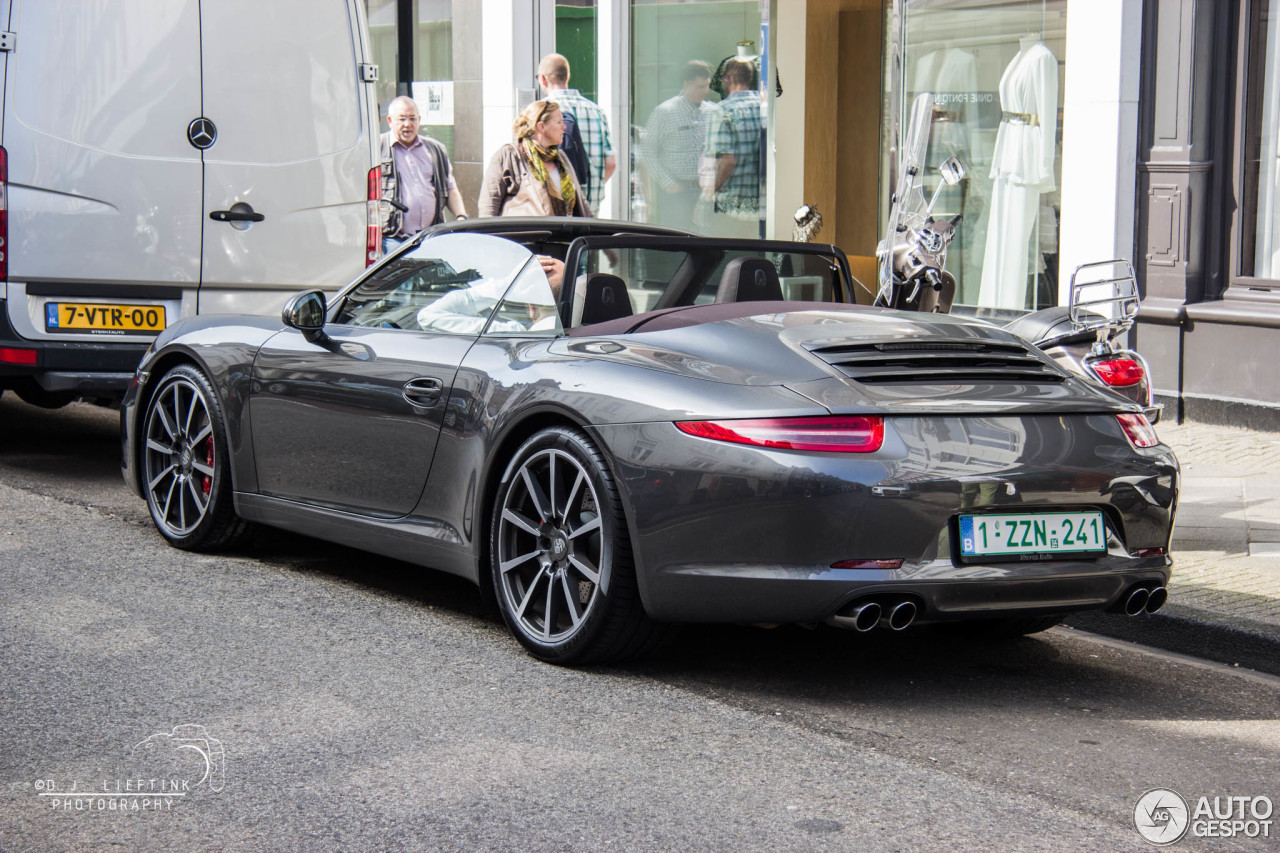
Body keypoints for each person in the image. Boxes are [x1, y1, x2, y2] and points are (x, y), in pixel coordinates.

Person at [380, 96, 468, 253]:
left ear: (419, 120)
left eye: (412, 119)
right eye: (402, 119)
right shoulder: (377, 148)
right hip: (392, 239)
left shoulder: (435, 150)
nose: (408, 124)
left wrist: (461, 216)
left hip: (430, 237)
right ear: (390, 121)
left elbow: (450, 187)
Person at [640, 60, 719, 233]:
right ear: (686, 84)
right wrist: (667, 182)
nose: (705, 91)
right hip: (676, 193)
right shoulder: (665, 112)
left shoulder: (712, 112)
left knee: (707, 242)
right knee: (677, 243)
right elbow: (648, 150)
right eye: (700, 86)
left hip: (705, 193)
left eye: (707, 86)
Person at [478, 100, 593, 218]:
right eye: (559, 122)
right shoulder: (508, 155)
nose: (564, 127)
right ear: (541, 126)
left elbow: (581, 201)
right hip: (522, 235)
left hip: (561, 234)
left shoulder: (560, 157)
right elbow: (488, 207)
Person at [537, 53, 615, 211]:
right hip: (590, 210)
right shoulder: (597, 112)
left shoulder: (540, 112)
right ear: (568, 77)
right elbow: (611, 163)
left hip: (553, 211)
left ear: (543, 79)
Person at [417, 255, 564, 334]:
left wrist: (507, 283)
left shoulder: (513, 335)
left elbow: (428, 316)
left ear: (531, 307)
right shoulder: (584, 335)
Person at [705, 58, 764, 237]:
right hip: (763, 207)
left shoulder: (722, 110)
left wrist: (709, 193)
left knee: (731, 262)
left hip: (733, 208)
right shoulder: (765, 106)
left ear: (728, 78)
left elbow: (727, 160)